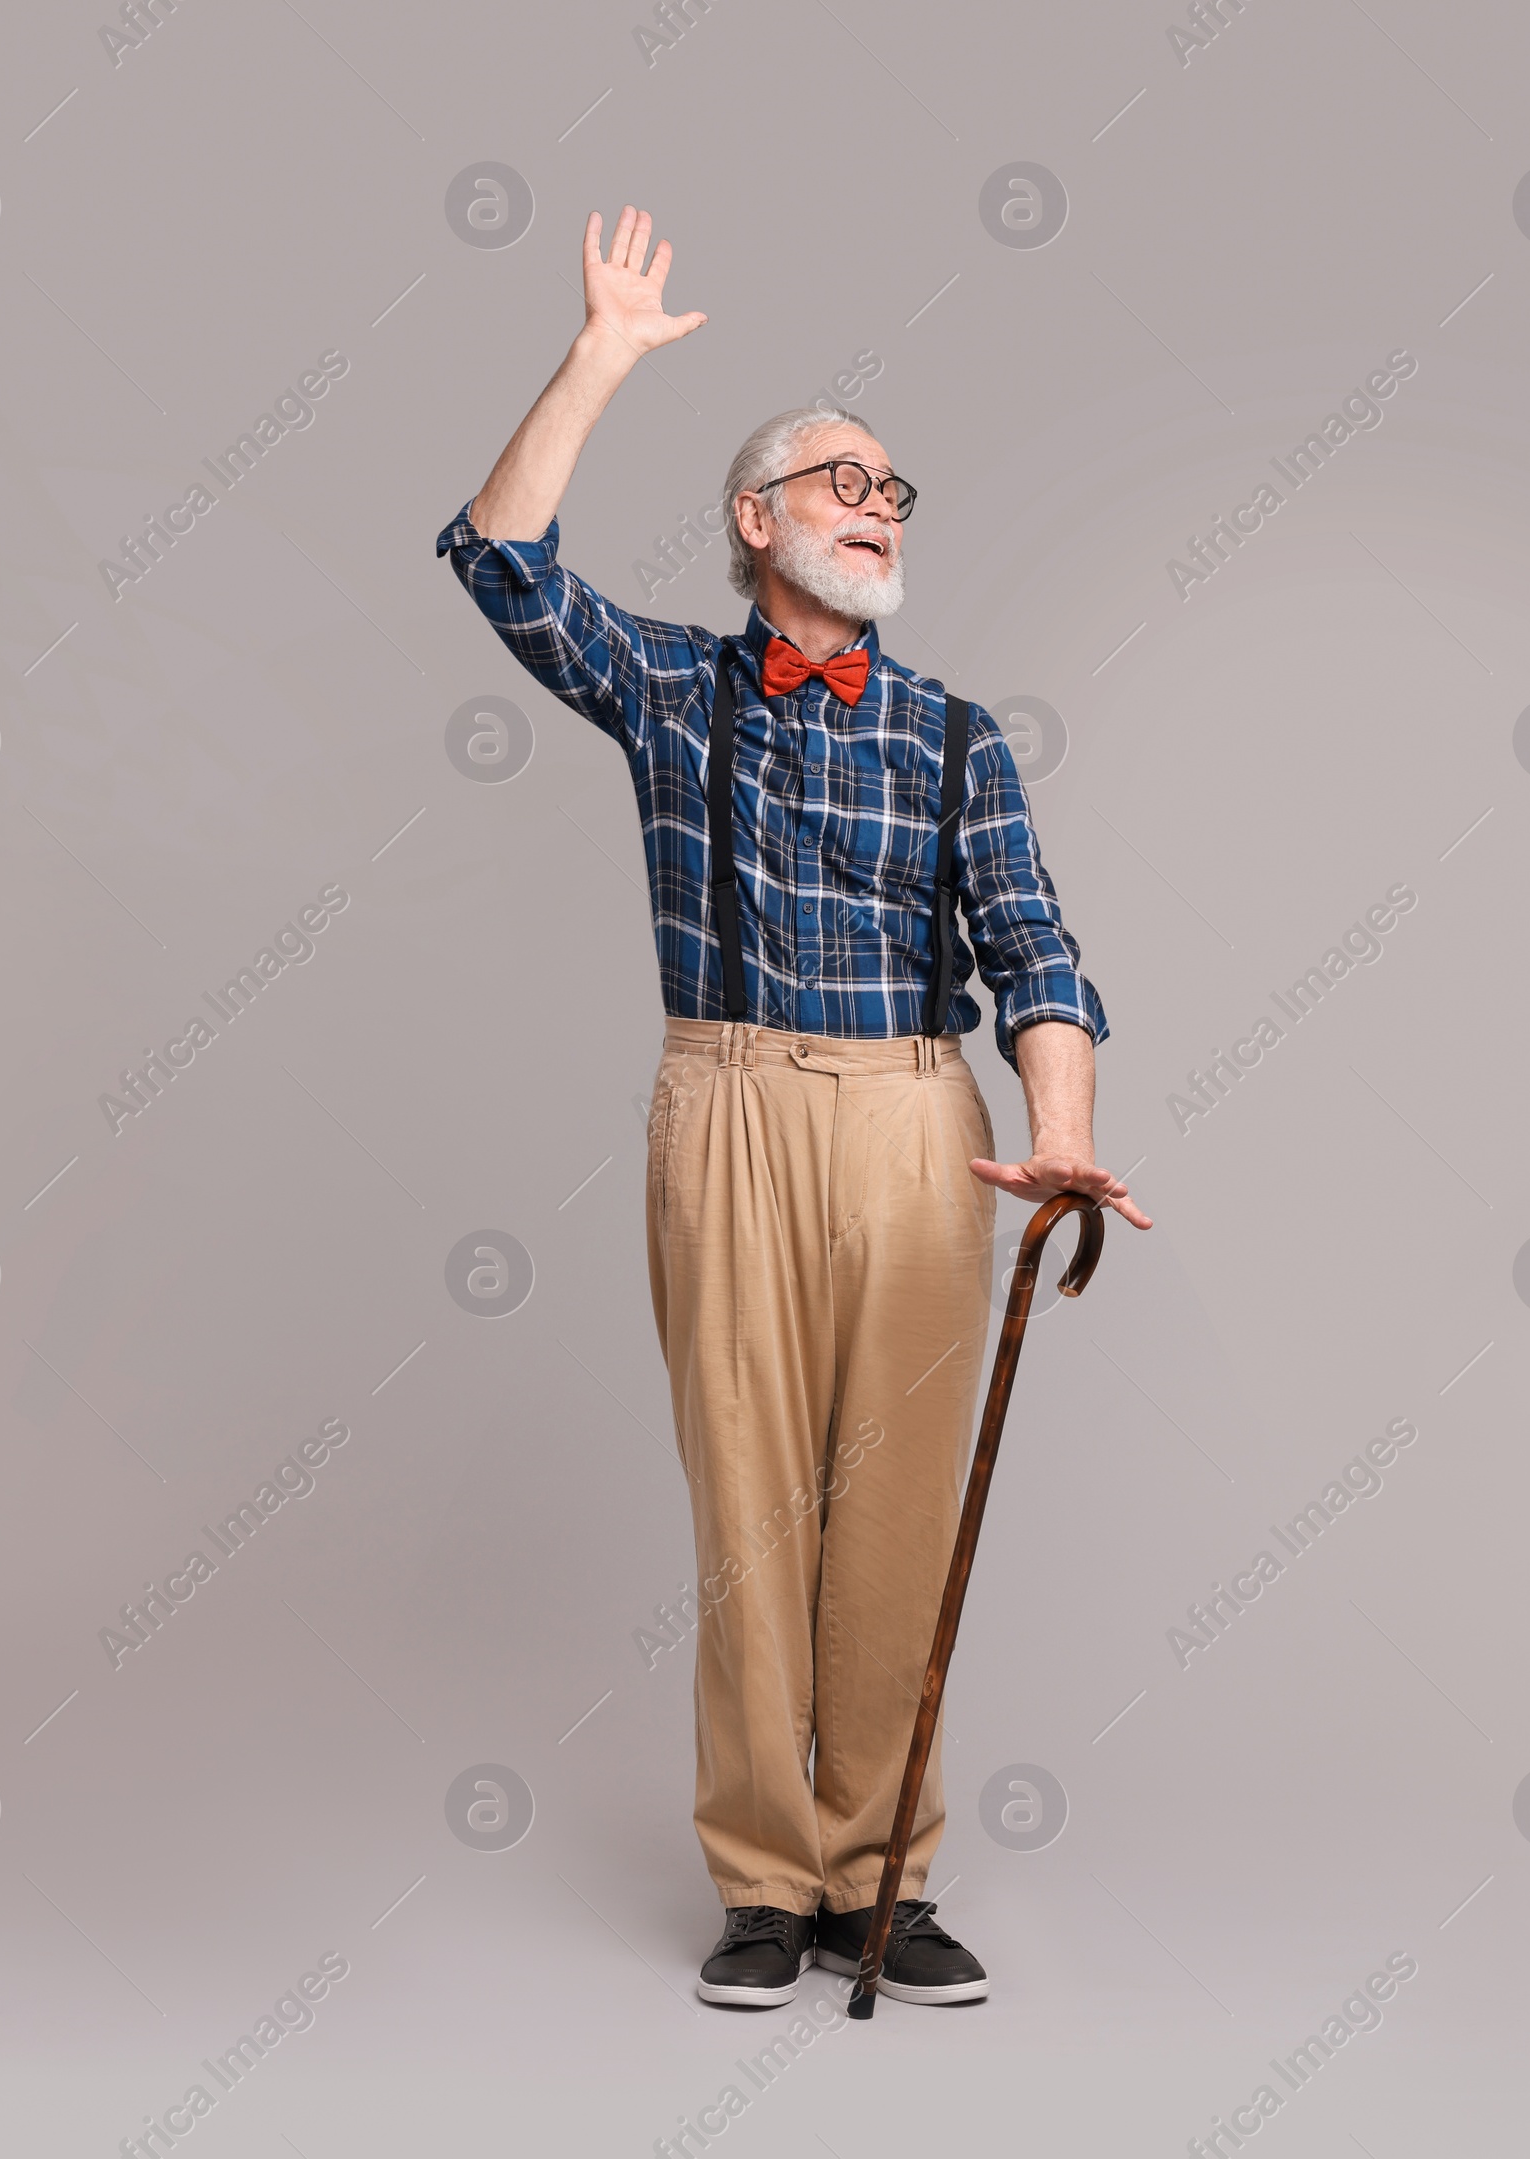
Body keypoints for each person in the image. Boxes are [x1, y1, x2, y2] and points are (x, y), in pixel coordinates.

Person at [437, 204, 1151, 2010]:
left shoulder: (958, 736)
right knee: (752, 1499)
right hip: (730, 1107)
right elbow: (501, 560)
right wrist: (599, 356)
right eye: (841, 479)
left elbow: (1037, 953)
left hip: (921, 1123)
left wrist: (1055, 1125)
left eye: (897, 489)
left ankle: (883, 1880)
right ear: (756, 520)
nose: (877, 504)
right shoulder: (675, 691)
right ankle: (770, 1883)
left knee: (895, 1502)